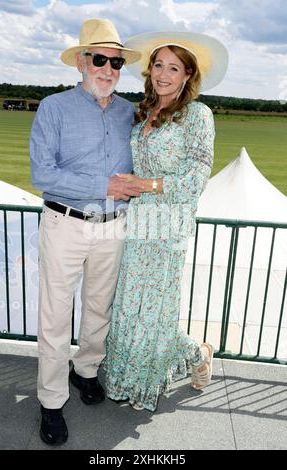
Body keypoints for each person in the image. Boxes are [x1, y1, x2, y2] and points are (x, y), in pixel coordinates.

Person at [30, 18, 141, 445]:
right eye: (100, 59)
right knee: (55, 317)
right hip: (64, 225)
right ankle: (52, 401)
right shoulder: (53, 108)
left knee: (99, 308)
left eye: (116, 62)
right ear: (81, 62)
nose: (108, 68)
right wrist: (106, 186)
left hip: (114, 227)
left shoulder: (130, 111)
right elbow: (44, 174)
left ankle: (87, 371)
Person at [104, 31, 228, 411]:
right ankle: (172, 362)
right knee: (129, 306)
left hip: (169, 224)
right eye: (158, 64)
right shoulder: (142, 112)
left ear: (188, 75)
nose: (163, 73)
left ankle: (156, 378)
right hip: (137, 220)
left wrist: (147, 183)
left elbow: (195, 180)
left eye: (173, 67)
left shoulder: (197, 115)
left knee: (154, 309)